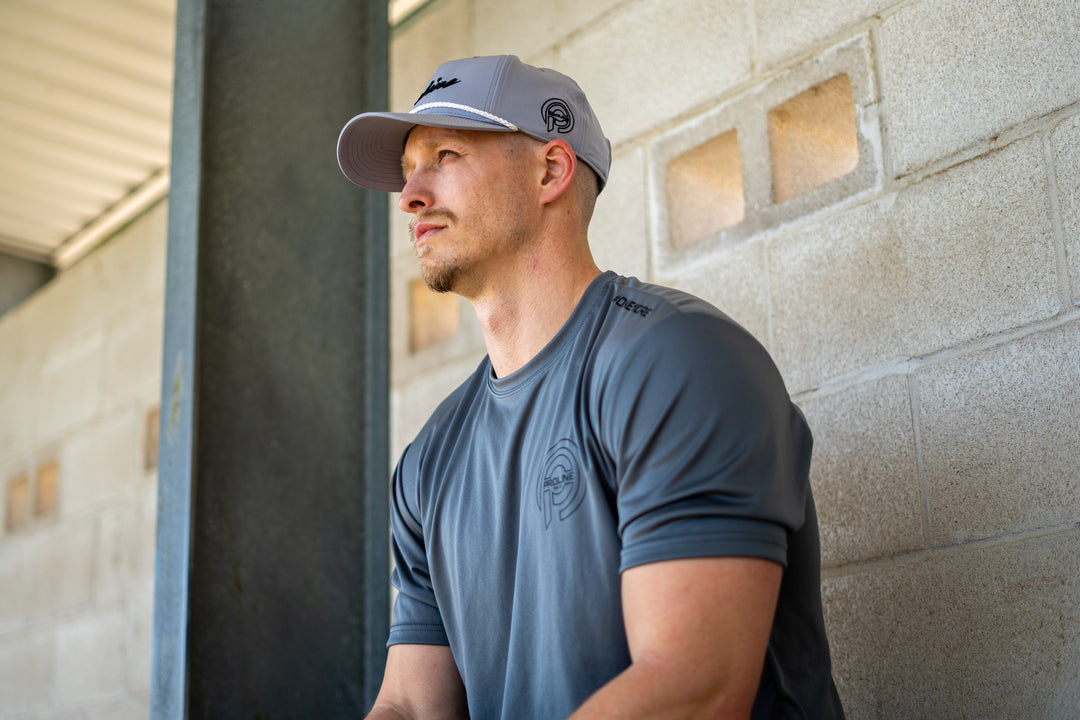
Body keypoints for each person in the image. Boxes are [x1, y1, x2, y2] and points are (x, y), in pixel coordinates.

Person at [337, 54, 845, 720]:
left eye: (445, 156)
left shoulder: (677, 362)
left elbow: (693, 688)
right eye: (408, 170)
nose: (409, 196)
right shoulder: (430, 461)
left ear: (551, 171)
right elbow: (409, 704)